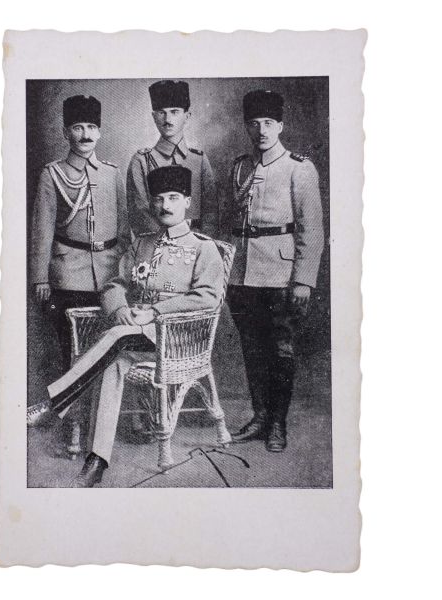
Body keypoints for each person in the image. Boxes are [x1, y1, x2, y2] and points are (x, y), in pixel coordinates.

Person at [69, 165, 224, 487]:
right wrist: (120, 308)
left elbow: (208, 298)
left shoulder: (203, 247)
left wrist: (155, 312)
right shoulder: (142, 244)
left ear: (187, 202)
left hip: (177, 338)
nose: (165, 206)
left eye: (173, 198)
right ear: (152, 204)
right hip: (133, 336)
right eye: (159, 199)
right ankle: (97, 458)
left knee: (116, 339)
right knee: (114, 362)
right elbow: (114, 284)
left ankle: (56, 401)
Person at [223, 90, 324, 452]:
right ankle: (260, 417)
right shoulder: (239, 167)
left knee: (280, 351)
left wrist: (303, 281)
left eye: (268, 123)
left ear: (280, 125)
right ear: (247, 127)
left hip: (281, 275)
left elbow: (312, 230)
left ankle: (278, 423)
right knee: (252, 350)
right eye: (254, 123)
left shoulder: (299, 168)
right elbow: (231, 223)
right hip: (242, 274)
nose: (261, 130)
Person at [28, 94, 131, 426]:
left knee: (111, 349)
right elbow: (42, 229)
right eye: (77, 127)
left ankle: (104, 416)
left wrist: (128, 273)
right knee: (71, 350)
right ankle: (74, 419)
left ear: (99, 132)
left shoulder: (112, 173)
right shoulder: (53, 174)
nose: (85, 135)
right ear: (65, 132)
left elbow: (124, 229)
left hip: (111, 273)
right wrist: (40, 277)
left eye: (91, 127)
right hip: (68, 272)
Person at [127, 80, 218, 237]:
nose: (168, 120)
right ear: (154, 117)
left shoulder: (199, 160)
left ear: (187, 116)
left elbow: (211, 212)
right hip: (157, 243)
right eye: (161, 113)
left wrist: (201, 243)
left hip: (196, 242)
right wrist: (167, 243)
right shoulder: (141, 161)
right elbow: (139, 214)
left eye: (174, 112)